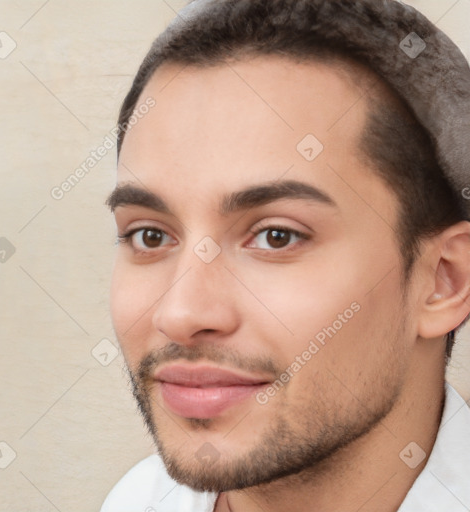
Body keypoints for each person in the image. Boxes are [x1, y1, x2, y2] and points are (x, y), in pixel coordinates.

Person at [101, 0, 470, 510]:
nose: (180, 314)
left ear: (444, 280)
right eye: (149, 236)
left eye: (277, 236)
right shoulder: (137, 501)